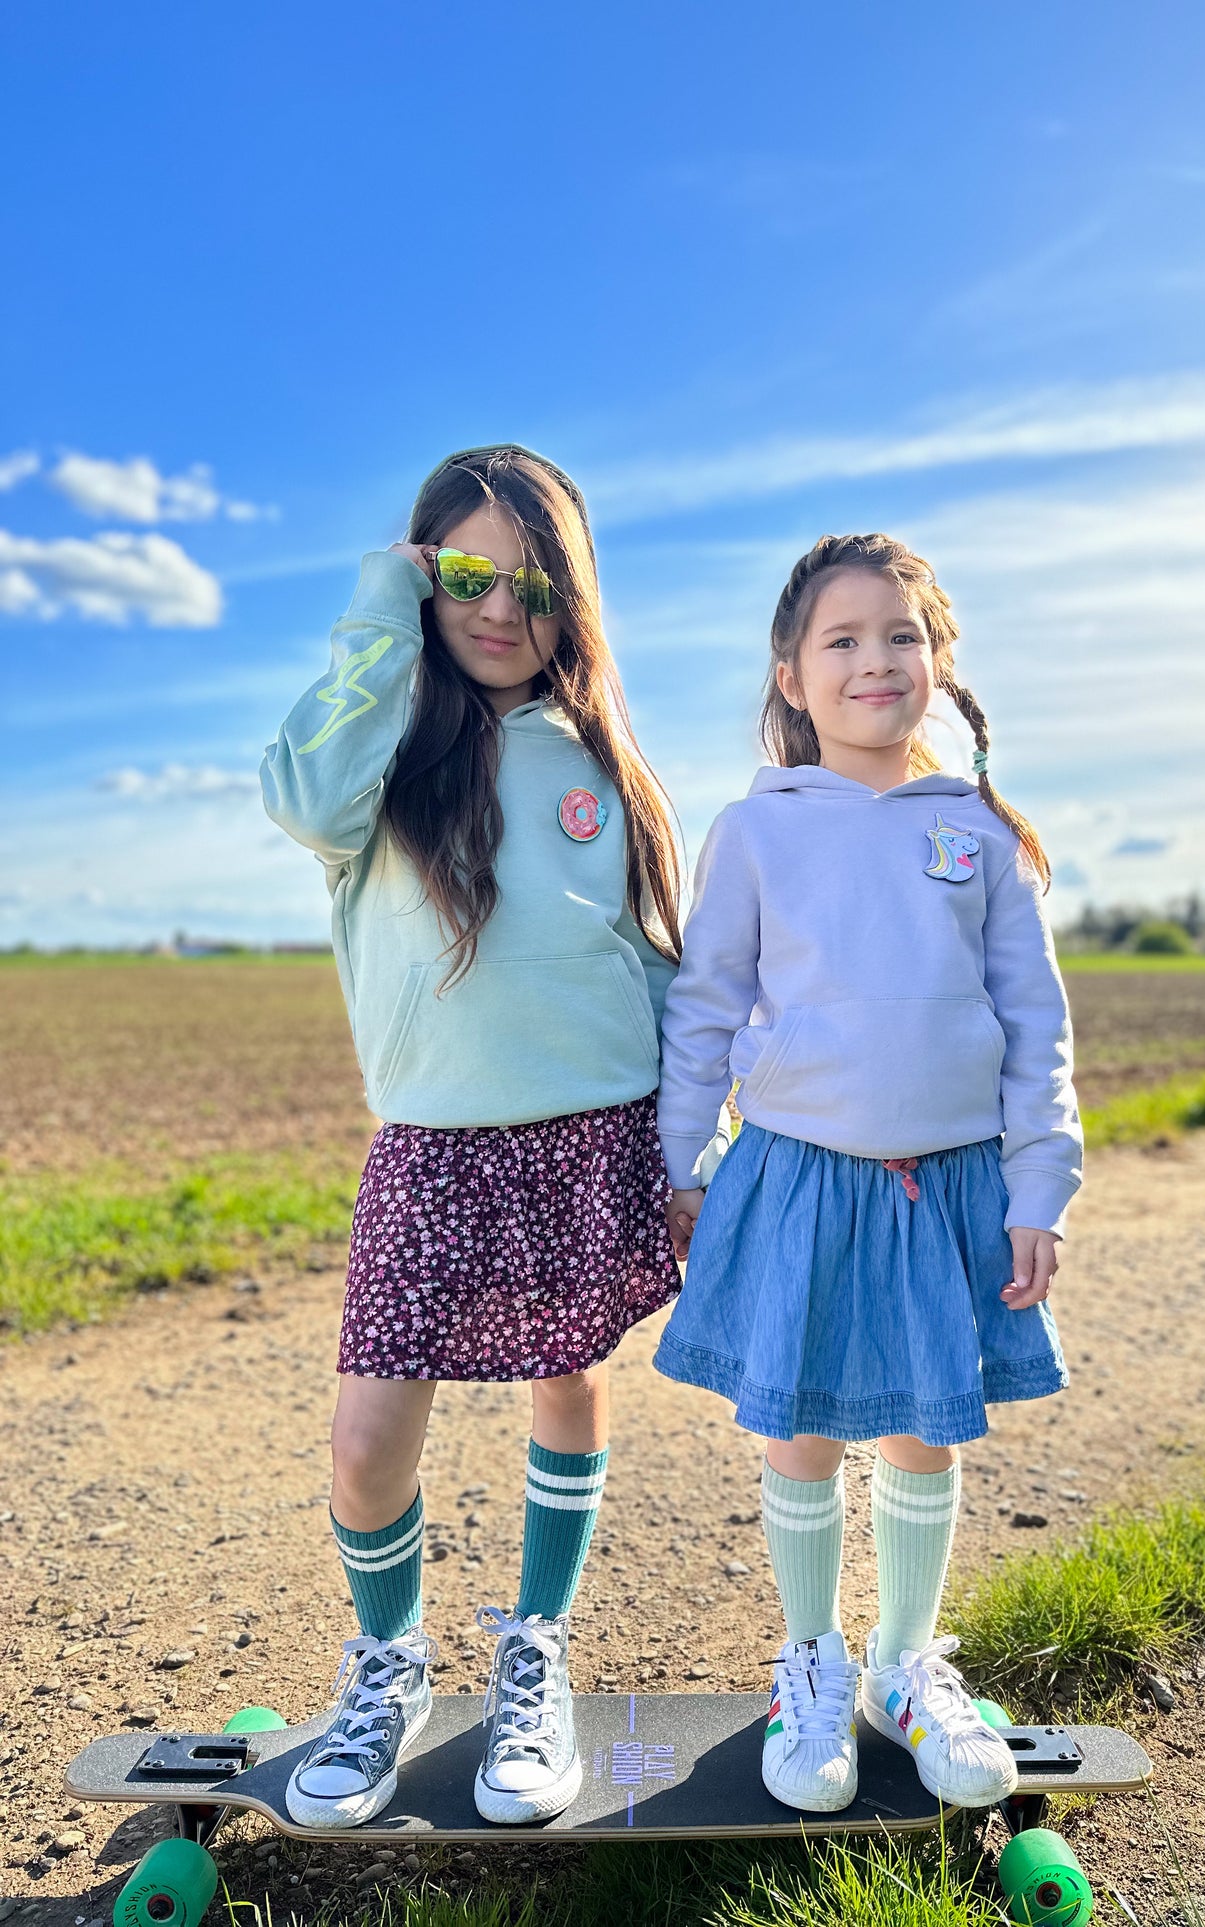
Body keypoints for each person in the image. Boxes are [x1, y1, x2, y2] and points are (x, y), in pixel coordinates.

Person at [261, 445, 685, 1828]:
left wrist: (694, 1151)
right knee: (368, 1437)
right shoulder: (381, 756)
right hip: (433, 1144)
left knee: (569, 1382)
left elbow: (656, 966)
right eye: (463, 575)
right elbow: (298, 795)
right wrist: (381, 609)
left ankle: (535, 1653)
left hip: (590, 1131)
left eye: (534, 583)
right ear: (418, 575)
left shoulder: (603, 766)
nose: (500, 607)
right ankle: (388, 1665)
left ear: (574, 600)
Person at [655, 533, 1081, 1814]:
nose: (872, 660)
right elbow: (703, 1007)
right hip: (796, 1175)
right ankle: (810, 1663)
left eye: (900, 635)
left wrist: (1037, 1186)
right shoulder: (753, 830)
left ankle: (901, 1669)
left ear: (937, 660)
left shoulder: (978, 832)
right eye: (839, 640)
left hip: (945, 1184)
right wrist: (683, 1161)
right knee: (797, 1430)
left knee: (919, 1427)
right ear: (791, 676)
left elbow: (1034, 1023)